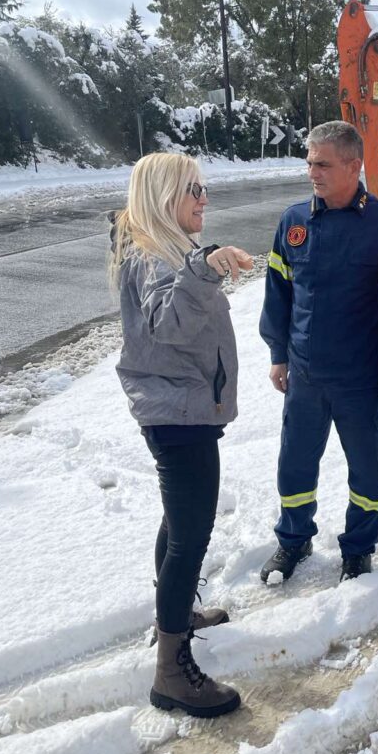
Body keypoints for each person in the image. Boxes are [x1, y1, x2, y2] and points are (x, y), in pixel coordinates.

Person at [110, 152, 253, 718]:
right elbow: (167, 325)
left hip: (181, 406)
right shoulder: (152, 253)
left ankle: (173, 615)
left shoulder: (164, 248)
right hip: (178, 412)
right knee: (191, 533)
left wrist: (204, 263)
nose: (203, 197)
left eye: (203, 188)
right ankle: (172, 672)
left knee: (179, 522)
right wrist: (204, 268)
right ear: (165, 194)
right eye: (193, 188)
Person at [259, 121, 378, 584]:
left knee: (368, 471)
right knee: (294, 466)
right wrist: (278, 355)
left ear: (353, 165)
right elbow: (278, 296)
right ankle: (294, 540)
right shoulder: (294, 223)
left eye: (322, 164)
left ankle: (358, 549)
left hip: (361, 378)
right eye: (309, 162)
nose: (312, 172)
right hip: (305, 377)